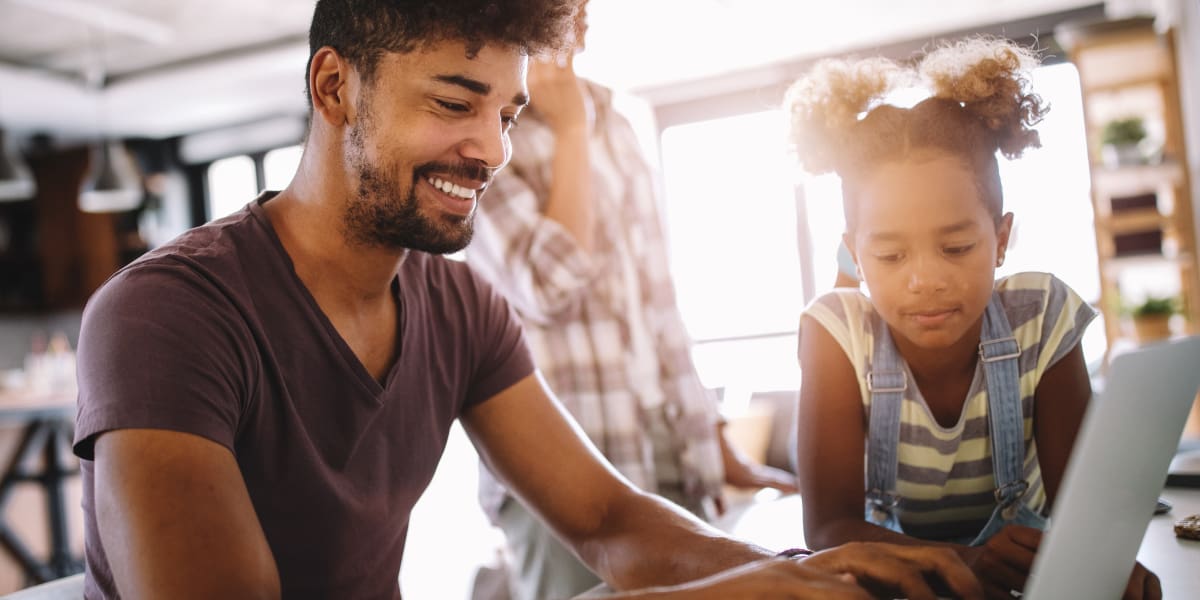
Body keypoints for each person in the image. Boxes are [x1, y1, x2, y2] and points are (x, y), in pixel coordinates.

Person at [71, 1, 985, 598]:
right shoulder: (164, 318)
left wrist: (813, 572)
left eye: (505, 114)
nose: (490, 149)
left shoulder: (459, 308)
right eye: (455, 103)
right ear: (333, 87)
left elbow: (610, 521)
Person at [786, 37, 1161, 600]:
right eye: (890, 256)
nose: (925, 278)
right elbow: (829, 529)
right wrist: (972, 562)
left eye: (957, 247)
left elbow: (1082, 515)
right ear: (856, 255)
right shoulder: (836, 333)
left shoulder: (1042, 316)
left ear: (1001, 239)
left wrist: (1106, 567)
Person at [463, 2, 797, 598]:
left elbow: (658, 303)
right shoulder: (483, 131)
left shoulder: (611, 119)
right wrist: (568, 131)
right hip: (561, 465)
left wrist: (712, 442)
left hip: (668, 447)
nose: (584, 10)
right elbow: (551, 285)